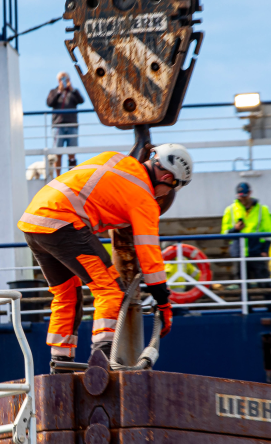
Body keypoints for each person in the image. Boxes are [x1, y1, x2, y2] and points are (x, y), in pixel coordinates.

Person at [18, 144, 194, 364]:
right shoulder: (144, 199)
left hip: (34, 222)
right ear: (167, 177)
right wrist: (164, 303)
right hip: (63, 222)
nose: (167, 194)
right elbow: (150, 257)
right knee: (110, 291)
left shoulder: (115, 159)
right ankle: (100, 361)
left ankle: (61, 364)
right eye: (172, 188)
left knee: (67, 294)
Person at [221, 182, 271, 287]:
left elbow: (269, 232)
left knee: (264, 281)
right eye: (240, 197)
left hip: (256, 250)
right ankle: (247, 303)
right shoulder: (230, 210)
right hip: (238, 251)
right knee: (242, 284)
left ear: (250, 193)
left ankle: (270, 303)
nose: (242, 199)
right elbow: (224, 233)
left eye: (244, 196)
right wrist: (235, 229)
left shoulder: (262, 209)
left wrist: (265, 250)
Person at [47, 72, 85, 175]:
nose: (63, 81)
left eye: (65, 78)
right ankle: (58, 176)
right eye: (61, 79)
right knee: (57, 153)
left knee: (71, 152)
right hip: (58, 125)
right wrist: (59, 91)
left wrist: (72, 89)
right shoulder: (54, 91)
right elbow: (49, 103)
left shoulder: (73, 92)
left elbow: (81, 100)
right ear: (58, 81)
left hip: (72, 125)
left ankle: (71, 174)